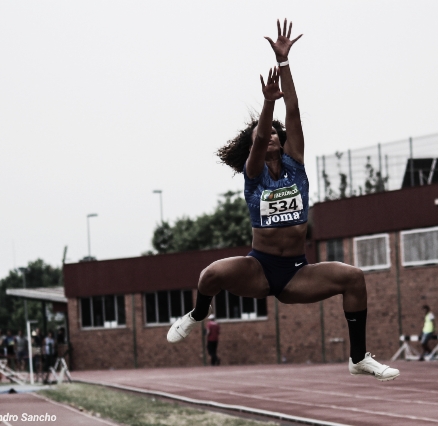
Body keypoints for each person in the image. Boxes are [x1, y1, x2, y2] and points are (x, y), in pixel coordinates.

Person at [166, 19, 399, 382]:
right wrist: (266, 103)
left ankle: (357, 358)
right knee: (209, 275)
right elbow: (259, 138)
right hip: (259, 267)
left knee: (354, 278)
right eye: (267, 133)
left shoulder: (295, 162)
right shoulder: (254, 170)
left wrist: (285, 64)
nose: (272, 136)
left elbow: (294, 111)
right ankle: (196, 315)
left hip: (297, 272)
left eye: (277, 133)